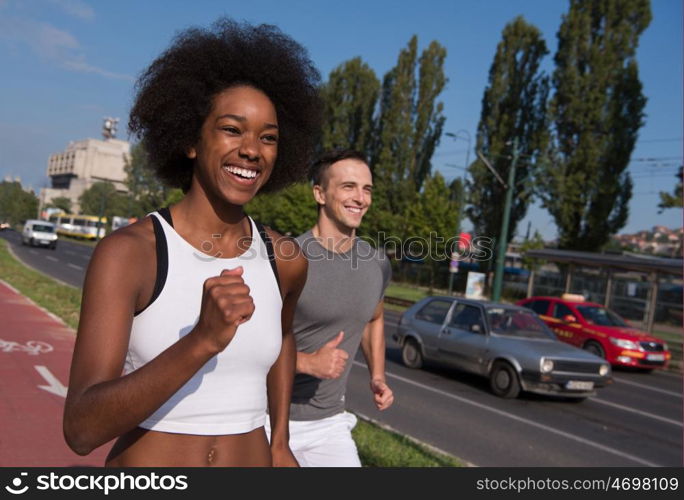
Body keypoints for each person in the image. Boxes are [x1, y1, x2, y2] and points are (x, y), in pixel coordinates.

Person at [62, 19, 322, 467]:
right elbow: (82, 429)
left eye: (268, 138)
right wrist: (202, 340)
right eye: (232, 129)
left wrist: (280, 442)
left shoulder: (286, 261)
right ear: (189, 139)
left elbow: (282, 337)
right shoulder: (129, 253)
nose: (252, 150)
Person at [269, 149, 394, 467]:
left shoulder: (376, 263)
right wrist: (307, 363)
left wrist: (377, 376)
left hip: (328, 424)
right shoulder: (288, 258)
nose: (360, 198)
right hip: (266, 417)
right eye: (349, 186)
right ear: (320, 193)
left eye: (367, 189)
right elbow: (245, 343)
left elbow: (373, 319)